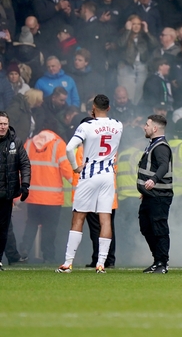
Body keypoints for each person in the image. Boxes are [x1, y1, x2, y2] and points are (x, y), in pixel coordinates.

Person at [57, 95, 124, 274]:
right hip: (108, 176)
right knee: (105, 219)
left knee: (78, 217)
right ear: (109, 108)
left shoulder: (86, 126)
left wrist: (75, 167)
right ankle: (101, 264)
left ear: (93, 108)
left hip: (89, 174)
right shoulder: (118, 125)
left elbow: (69, 148)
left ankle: (67, 263)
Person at [19, 122, 72, 265]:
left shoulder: (28, 144)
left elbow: (20, 169)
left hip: (32, 195)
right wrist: (80, 184)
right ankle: (48, 256)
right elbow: (67, 170)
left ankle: (24, 250)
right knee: (49, 229)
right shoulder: (58, 144)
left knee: (31, 224)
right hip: (52, 199)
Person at [137, 115, 173, 274]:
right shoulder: (153, 145)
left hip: (159, 196)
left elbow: (164, 166)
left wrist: (153, 180)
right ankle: (157, 260)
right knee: (146, 227)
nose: (144, 127)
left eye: (147, 124)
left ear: (155, 128)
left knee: (159, 228)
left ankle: (162, 263)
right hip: (150, 195)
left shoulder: (161, 147)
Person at [0, 112, 31, 271]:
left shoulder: (15, 142)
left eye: (4, 123)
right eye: (0, 124)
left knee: (4, 229)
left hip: (7, 194)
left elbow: (24, 164)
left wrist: (25, 185)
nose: (2, 127)